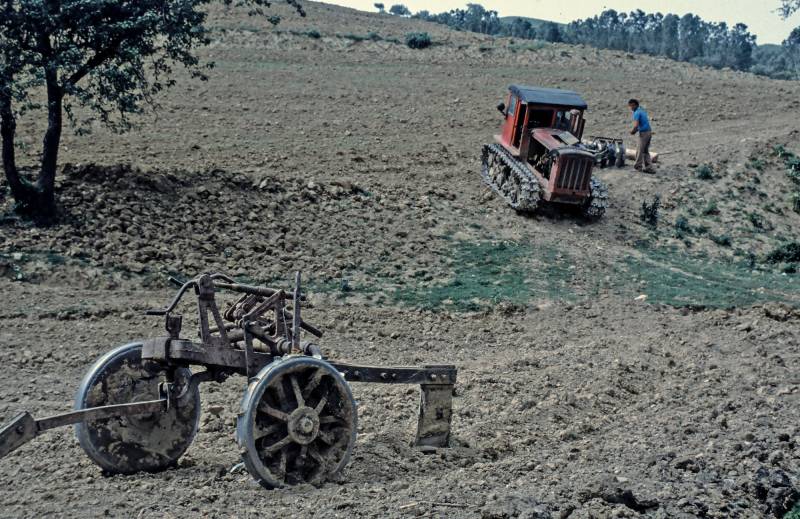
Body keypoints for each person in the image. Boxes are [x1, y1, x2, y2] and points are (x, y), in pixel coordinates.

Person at [628, 99, 655, 173]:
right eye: (630, 106)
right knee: (645, 151)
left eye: (632, 106)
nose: (631, 108)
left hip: (643, 133)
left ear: (636, 105)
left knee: (639, 151)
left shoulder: (636, 113)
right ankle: (649, 168)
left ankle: (637, 167)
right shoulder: (642, 111)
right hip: (649, 132)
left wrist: (633, 132)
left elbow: (636, 125)